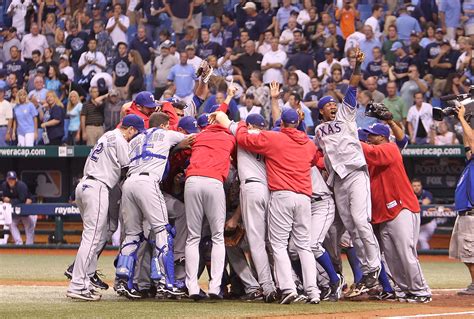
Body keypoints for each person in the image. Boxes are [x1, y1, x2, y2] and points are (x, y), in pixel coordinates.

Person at [212, 106, 321, 304]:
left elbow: (238, 133)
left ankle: (272, 287)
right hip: (297, 194)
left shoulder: (266, 137)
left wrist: (223, 116)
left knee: (263, 243)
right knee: (299, 245)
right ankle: (312, 290)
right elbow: (314, 159)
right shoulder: (298, 140)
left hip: (266, 190)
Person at [315, 48, 382, 297]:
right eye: (328, 105)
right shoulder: (319, 132)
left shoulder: (345, 114)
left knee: (361, 222)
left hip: (355, 173)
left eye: (334, 103)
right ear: (321, 111)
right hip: (338, 181)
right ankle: (367, 272)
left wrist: (356, 66)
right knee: (352, 230)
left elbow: (352, 87)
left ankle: (374, 267)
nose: (332, 106)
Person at [67, 114, 145, 301]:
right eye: (136, 133)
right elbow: (127, 170)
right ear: (131, 129)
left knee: (93, 236)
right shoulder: (120, 139)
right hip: (98, 186)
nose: (135, 136)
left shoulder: (107, 135)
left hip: (84, 185)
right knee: (93, 237)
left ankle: (83, 282)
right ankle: (77, 285)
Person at [115, 112, 190, 298]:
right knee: (162, 231)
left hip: (128, 184)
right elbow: (191, 139)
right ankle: (165, 281)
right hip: (148, 183)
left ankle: (123, 281)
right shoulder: (166, 133)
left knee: (132, 234)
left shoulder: (135, 139)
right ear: (165, 125)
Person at [361, 123, 432, 303]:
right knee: (391, 258)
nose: (368, 137)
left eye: (372, 135)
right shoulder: (371, 156)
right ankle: (403, 290)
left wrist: (348, 138)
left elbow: (374, 152)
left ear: (382, 137)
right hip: (384, 213)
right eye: (367, 135)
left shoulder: (389, 148)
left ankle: (421, 290)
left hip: (401, 208)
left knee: (405, 252)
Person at [183, 86, 237, 301]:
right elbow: (224, 119)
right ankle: (215, 287)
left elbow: (218, 116)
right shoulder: (231, 138)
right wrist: (230, 97)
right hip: (214, 182)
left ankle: (192, 288)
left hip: (192, 180)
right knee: (217, 237)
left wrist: (228, 97)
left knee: (192, 237)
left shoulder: (200, 134)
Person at [449, 103, 474, 295]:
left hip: (472, 214)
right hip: (466, 212)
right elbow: (468, 145)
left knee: (470, 253)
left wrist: (462, 118)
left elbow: (472, 142)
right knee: (466, 254)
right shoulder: (471, 161)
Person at [1, 171, 34, 245]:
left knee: (29, 226)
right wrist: (4, 199)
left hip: (26, 208)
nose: (11, 181)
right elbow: (3, 197)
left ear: (16, 179)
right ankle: (19, 243)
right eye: (9, 179)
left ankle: (30, 246)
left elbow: (23, 200)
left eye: (13, 179)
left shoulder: (21, 185)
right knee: (11, 223)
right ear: (7, 179)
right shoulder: (4, 185)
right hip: (14, 210)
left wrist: (10, 200)